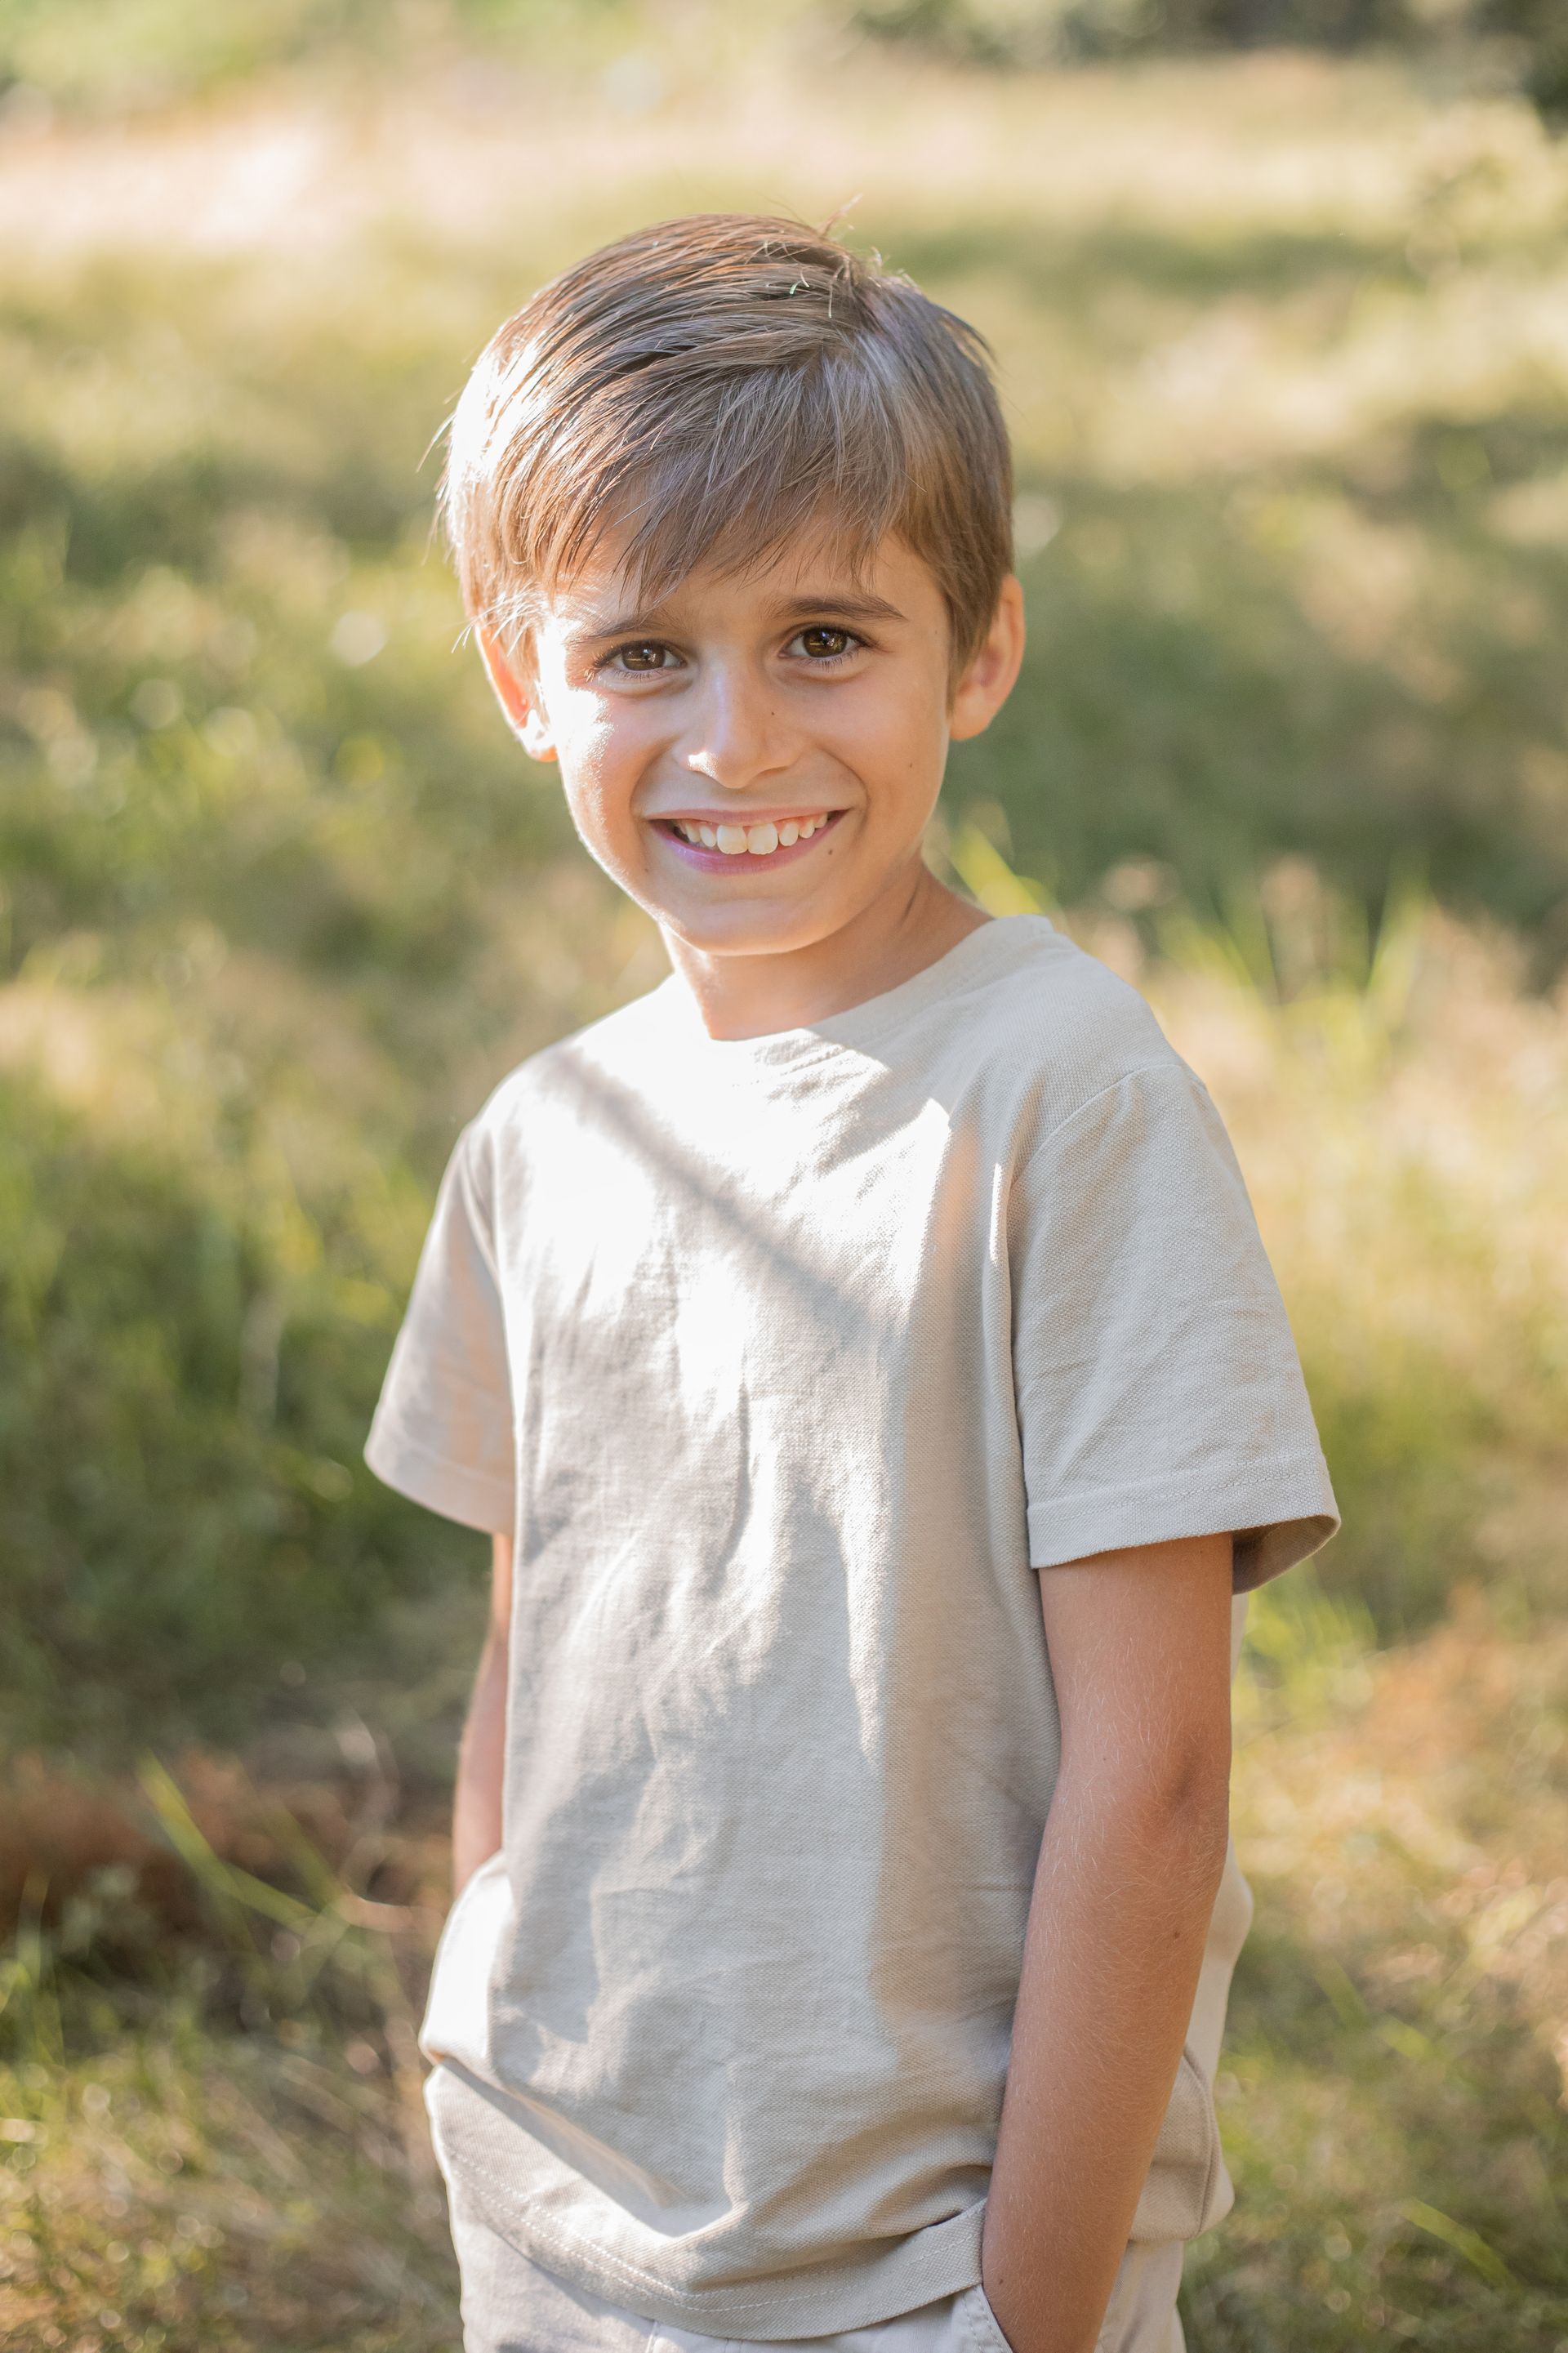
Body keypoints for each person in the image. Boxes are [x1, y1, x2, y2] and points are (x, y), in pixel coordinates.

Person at [365, 213, 1338, 2353]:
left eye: (825, 636)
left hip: (928, 2265)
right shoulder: (546, 1138)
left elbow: (1158, 1773)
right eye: (643, 654)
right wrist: (483, 2067)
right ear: (523, 678)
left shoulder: (1061, 1098)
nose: (735, 738)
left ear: (977, 649)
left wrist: (1032, 2303)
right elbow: (534, 1661)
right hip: (573, 2224)